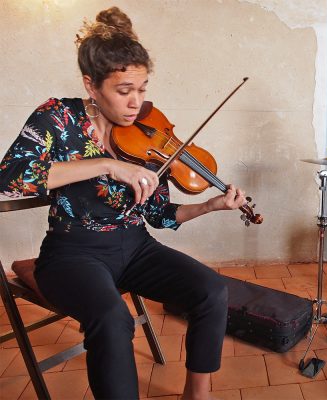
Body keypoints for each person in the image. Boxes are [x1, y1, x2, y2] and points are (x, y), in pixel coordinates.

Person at [0, 7, 245, 399]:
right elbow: (11, 178)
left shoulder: (144, 135)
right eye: (124, 90)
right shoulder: (57, 118)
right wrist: (107, 165)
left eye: (143, 89)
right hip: (72, 254)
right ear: (92, 86)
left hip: (135, 246)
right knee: (114, 319)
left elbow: (161, 213)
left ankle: (197, 393)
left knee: (211, 290)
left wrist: (210, 206)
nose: (136, 103)